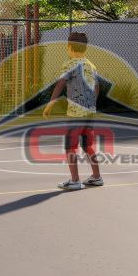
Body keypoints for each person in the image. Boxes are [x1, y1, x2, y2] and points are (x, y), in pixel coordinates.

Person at [43, 31, 103, 190]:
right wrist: (91, 104)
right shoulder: (91, 65)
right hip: (89, 112)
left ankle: (75, 180)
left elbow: (59, 85)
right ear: (85, 48)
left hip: (76, 114)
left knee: (70, 146)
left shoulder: (69, 64)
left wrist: (50, 104)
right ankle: (97, 177)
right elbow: (97, 88)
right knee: (87, 145)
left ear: (70, 47)